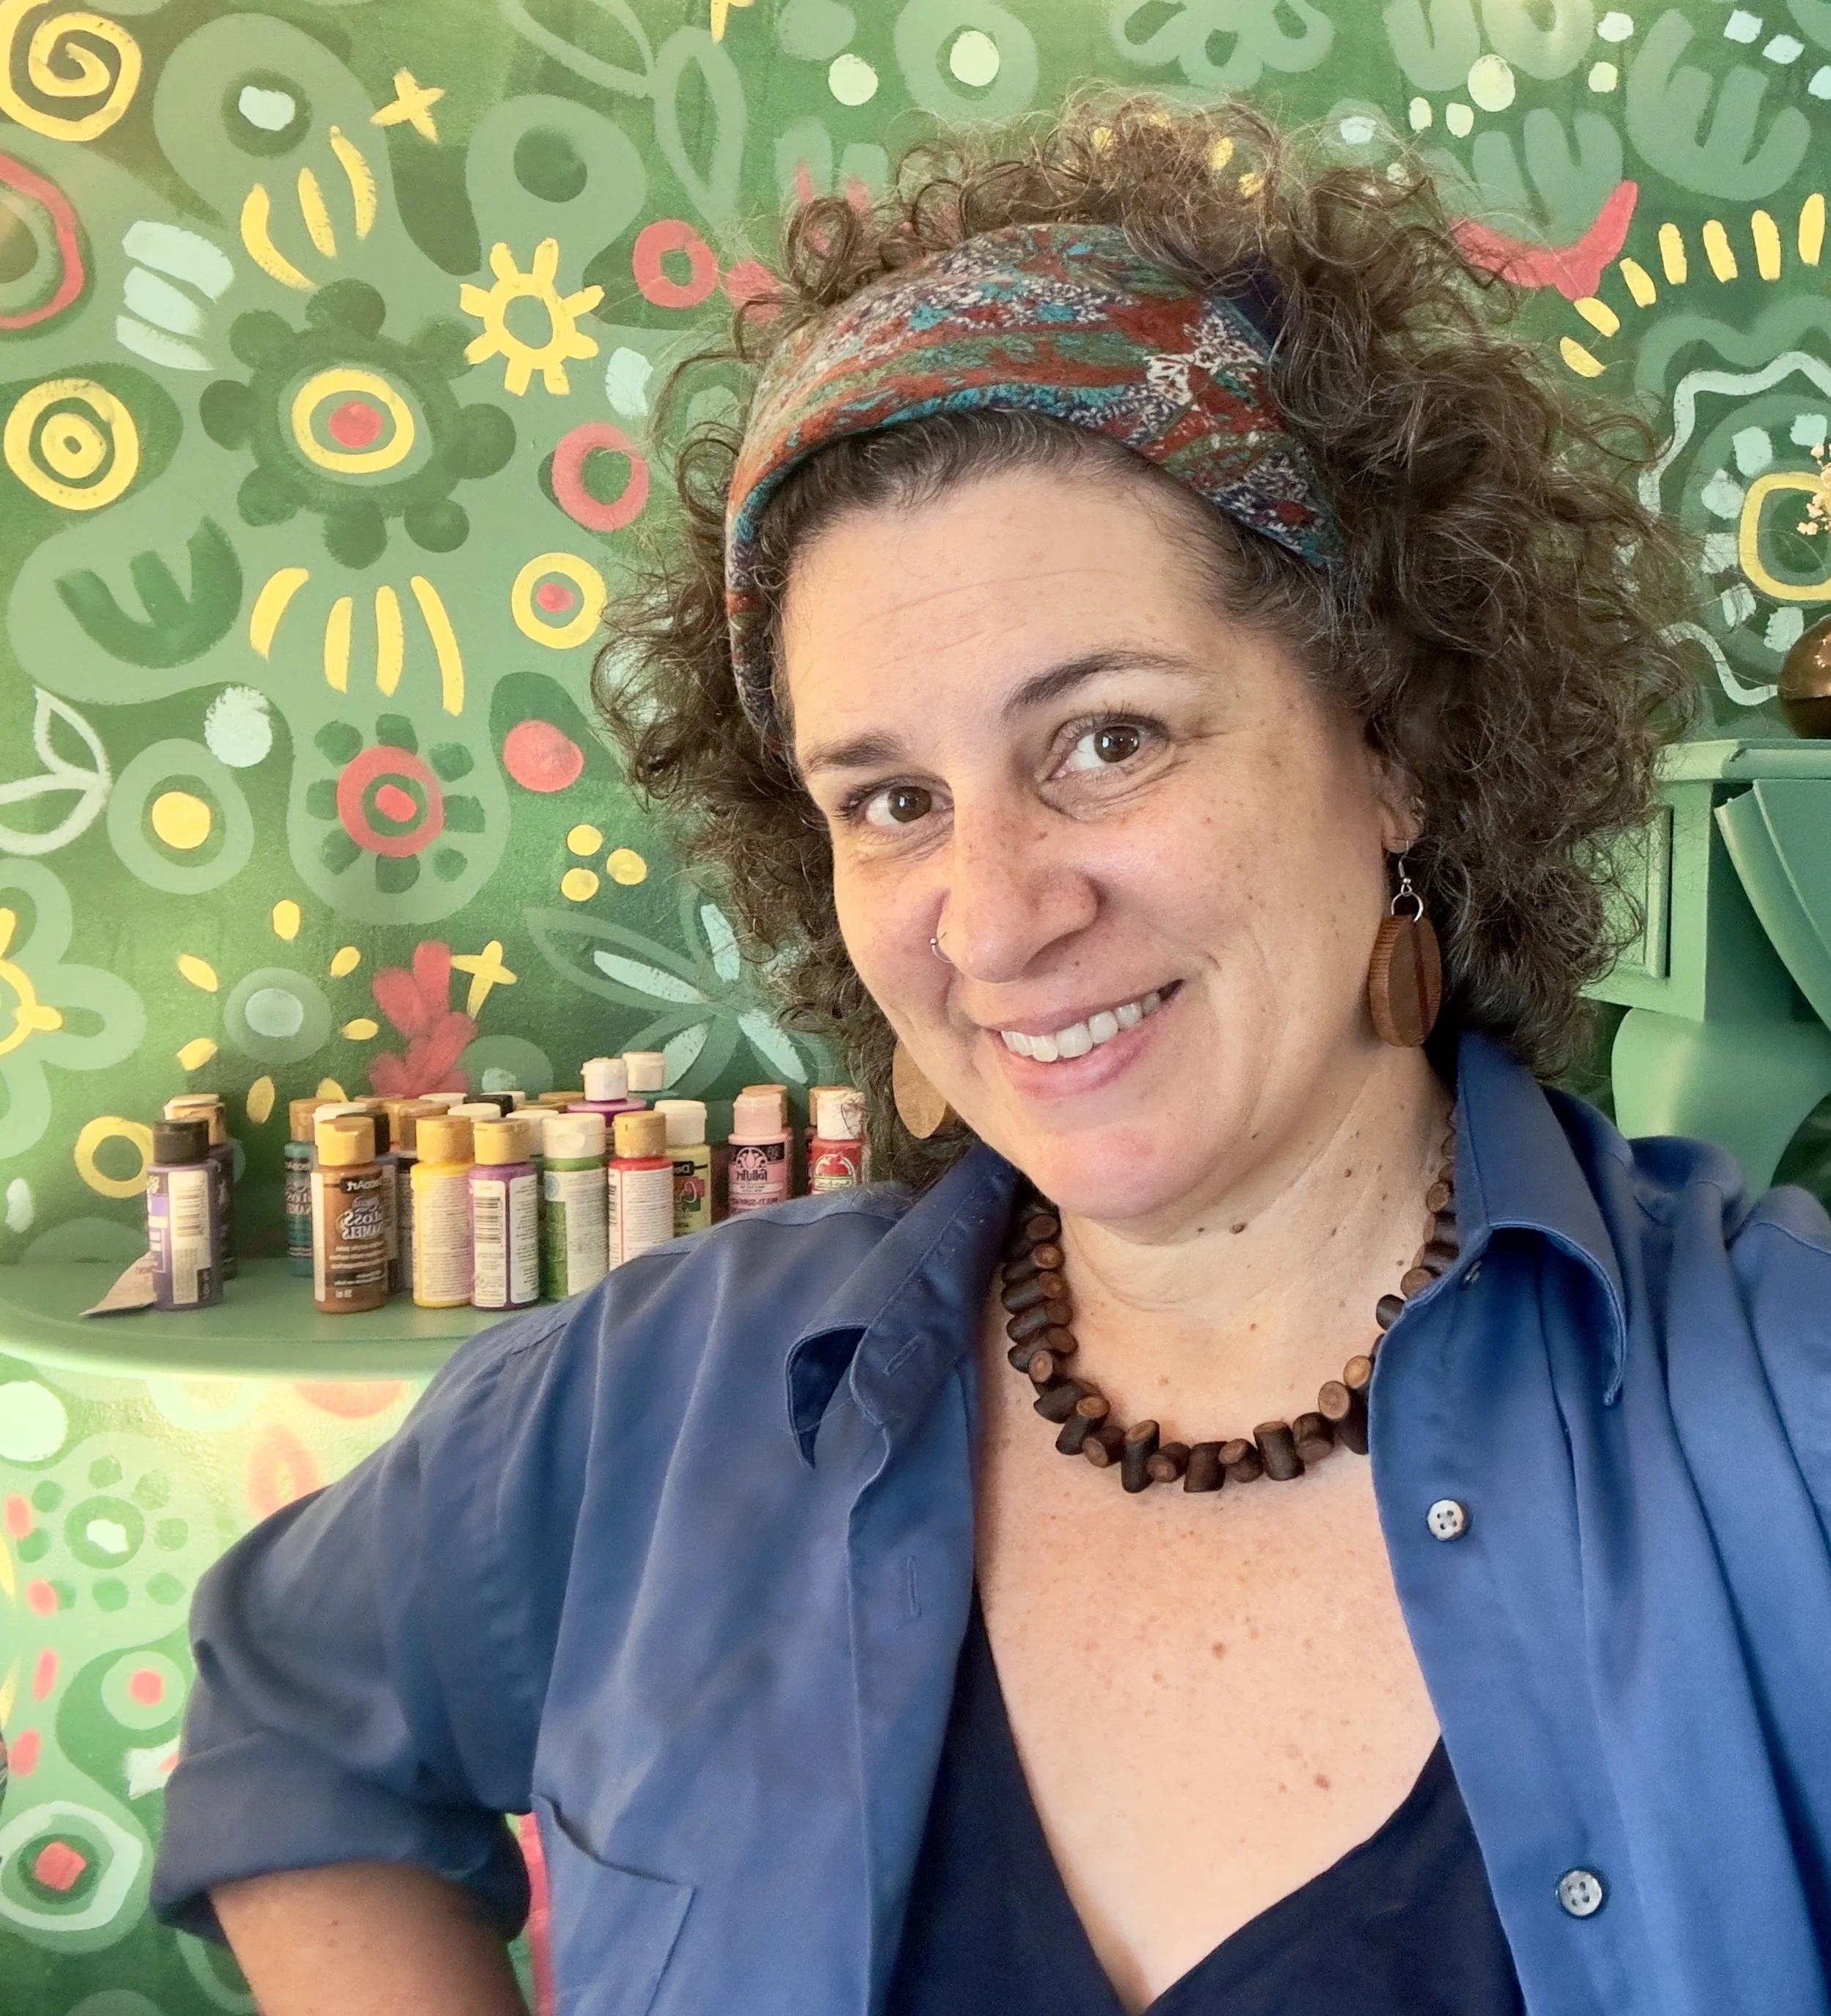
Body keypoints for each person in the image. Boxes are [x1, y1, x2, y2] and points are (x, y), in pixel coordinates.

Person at [151, 100, 1831, 2016]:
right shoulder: (650, 1403)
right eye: (888, 799)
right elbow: (291, 1718)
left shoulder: (1782, 1412)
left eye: (1105, 740)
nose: (992, 912)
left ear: (1395, 742)